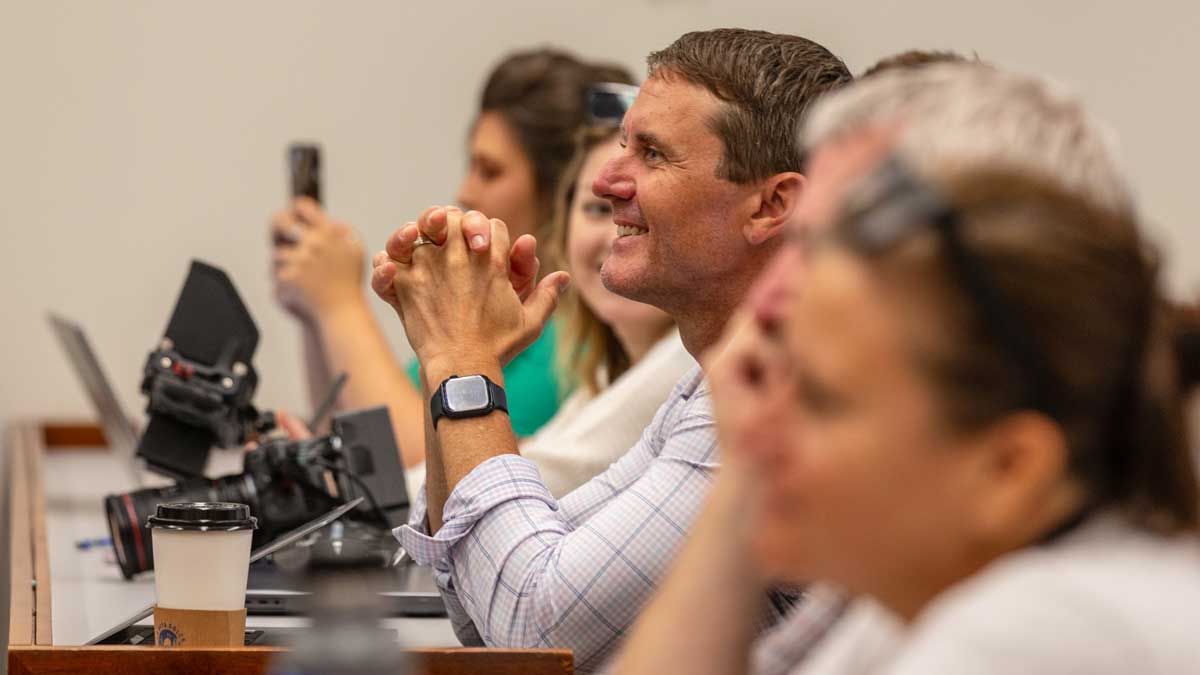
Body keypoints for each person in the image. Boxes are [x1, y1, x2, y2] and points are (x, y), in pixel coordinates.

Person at [610, 63, 1172, 675]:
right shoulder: (920, 583)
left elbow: (544, 613)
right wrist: (748, 471)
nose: (775, 293)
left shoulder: (1042, 625)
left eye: (830, 246)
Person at [370, 28, 852, 672]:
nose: (604, 179)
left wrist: (462, 362)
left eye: (651, 154)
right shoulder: (705, 389)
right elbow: (482, 611)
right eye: (623, 144)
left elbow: (535, 636)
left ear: (771, 205)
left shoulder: (775, 396)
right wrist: (448, 362)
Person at [270, 48, 633, 469]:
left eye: (490, 171)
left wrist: (339, 306)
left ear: (560, 193)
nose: (465, 191)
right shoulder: (494, 306)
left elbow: (419, 463)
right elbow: (356, 430)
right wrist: (314, 312)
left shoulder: (576, 339)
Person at [520, 124, 693, 497]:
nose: (617, 234)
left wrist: (459, 352)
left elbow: (514, 491)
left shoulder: (687, 365)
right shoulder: (603, 370)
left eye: (643, 213)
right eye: (598, 208)